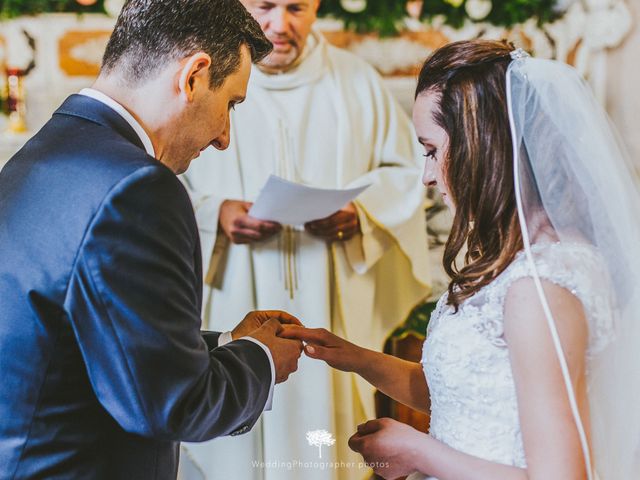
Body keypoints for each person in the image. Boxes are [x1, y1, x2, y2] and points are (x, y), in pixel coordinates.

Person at [281, 39, 640, 479]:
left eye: (431, 150)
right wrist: (355, 357)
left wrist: (418, 452)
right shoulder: (514, 259)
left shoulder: (539, 287)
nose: (427, 176)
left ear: (480, 147)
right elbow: (473, 394)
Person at [0, 1, 306, 478]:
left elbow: (89, 339)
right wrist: (263, 359)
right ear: (194, 76)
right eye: (230, 104)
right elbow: (171, 403)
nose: (225, 136)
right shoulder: (138, 188)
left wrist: (228, 342)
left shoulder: (43, 153)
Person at [180, 0, 431, 478]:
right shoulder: (206, 75)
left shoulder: (356, 82)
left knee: (325, 432)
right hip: (233, 288)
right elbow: (159, 178)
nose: (280, 24)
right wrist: (216, 215)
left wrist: (362, 214)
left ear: (316, 8)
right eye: (265, 7)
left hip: (329, 296)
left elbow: (407, 173)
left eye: (296, 8)